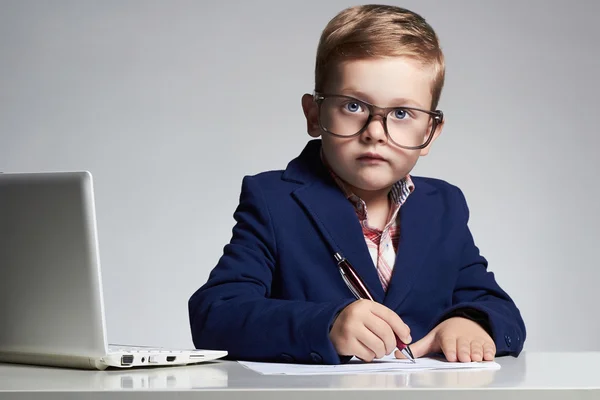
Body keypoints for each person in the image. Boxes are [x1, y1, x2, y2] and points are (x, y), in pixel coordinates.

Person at [188, 4, 526, 365]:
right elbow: (215, 314)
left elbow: (501, 310)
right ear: (314, 115)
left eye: (401, 113)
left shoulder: (443, 205)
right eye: (353, 106)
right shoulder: (274, 200)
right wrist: (327, 325)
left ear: (429, 133)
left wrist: (470, 322)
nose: (375, 133)